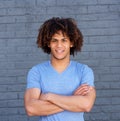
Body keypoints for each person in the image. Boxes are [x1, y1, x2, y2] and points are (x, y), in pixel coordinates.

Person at [24, 17, 96, 121]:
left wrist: (48, 96)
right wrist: (73, 99)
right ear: (48, 43)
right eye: (54, 40)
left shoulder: (84, 71)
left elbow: (86, 105)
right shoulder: (36, 72)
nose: (59, 45)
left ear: (71, 43)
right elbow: (31, 108)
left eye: (64, 40)